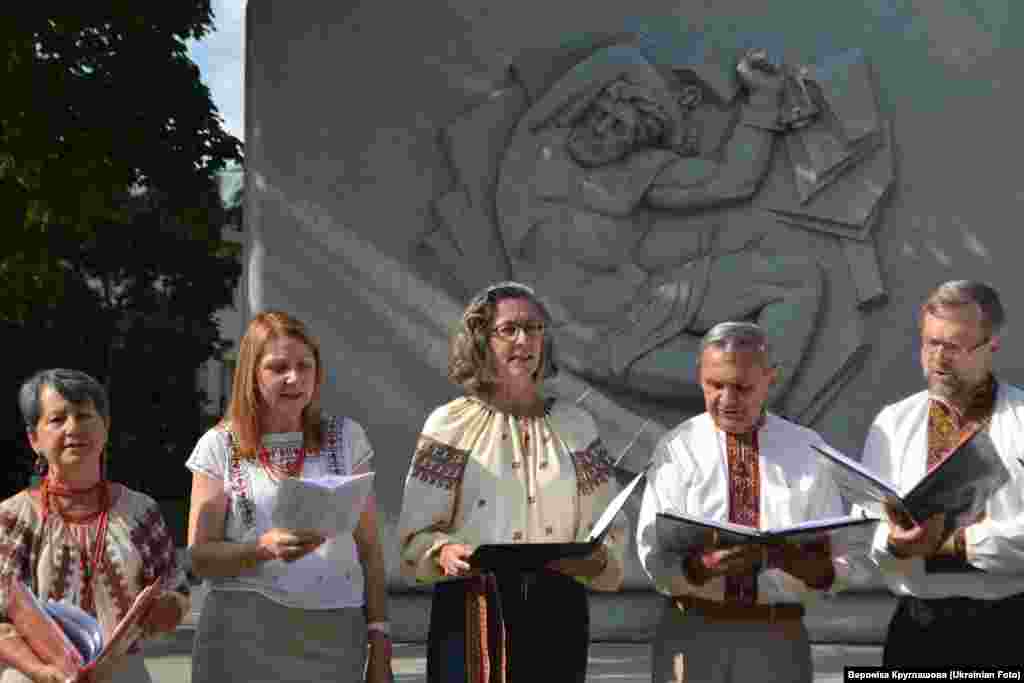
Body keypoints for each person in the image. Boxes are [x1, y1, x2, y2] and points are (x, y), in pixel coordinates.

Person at [496, 45, 823, 405]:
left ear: (636, 142)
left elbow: (732, 181)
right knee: (742, 380)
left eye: (618, 126)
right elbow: (620, 59)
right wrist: (675, 121)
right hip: (597, 340)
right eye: (599, 113)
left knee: (796, 277)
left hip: (655, 298)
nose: (600, 128)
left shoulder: (632, 173)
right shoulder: (537, 148)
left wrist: (762, 98)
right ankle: (757, 411)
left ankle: (772, 416)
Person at [397, 281, 626, 683]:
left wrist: (600, 557)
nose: (525, 340)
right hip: (475, 606)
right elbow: (415, 534)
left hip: (558, 608)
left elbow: (607, 524)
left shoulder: (576, 426)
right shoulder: (450, 425)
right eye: (509, 329)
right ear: (481, 339)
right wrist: (444, 551)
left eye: (535, 328)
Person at [636, 322, 849, 683]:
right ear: (700, 377)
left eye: (742, 387)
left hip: (777, 636)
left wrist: (779, 557)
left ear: (769, 379)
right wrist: (702, 565)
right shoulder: (677, 446)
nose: (728, 399)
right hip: (693, 630)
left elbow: (838, 560)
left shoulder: (807, 448)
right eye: (715, 385)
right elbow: (652, 551)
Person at [186, 311, 392, 683]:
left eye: (305, 366)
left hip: (334, 633)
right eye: (278, 367)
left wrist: (380, 640)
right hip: (240, 634)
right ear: (251, 373)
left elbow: (370, 550)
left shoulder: (347, 438)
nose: (294, 378)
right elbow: (199, 558)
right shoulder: (218, 444)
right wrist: (260, 549)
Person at [861, 280, 1024, 666]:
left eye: (953, 346)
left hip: (1008, 627)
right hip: (917, 631)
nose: (938, 359)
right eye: (929, 343)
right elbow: (863, 523)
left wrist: (956, 545)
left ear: (992, 346)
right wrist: (897, 542)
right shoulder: (893, 423)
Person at [0, 369, 189, 683]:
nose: (74, 428)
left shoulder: (141, 511)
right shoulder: (13, 516)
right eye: (57, 419)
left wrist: (168, 608)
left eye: (85, 416)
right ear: (34, 439)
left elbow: (177, 590)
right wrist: (45, 672)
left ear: (106, 427)